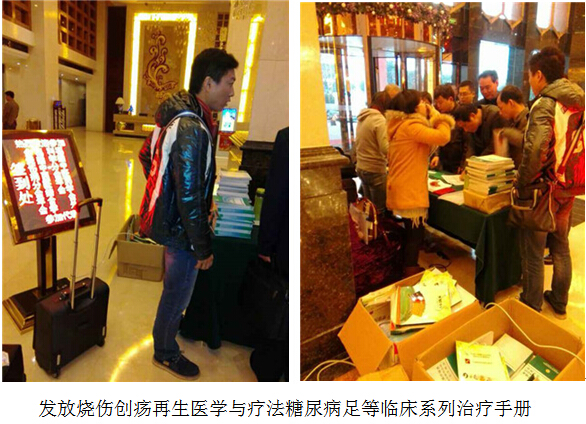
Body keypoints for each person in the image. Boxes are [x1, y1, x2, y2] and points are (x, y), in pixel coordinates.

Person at [138, 48, 238, 379]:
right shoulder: (192, 126)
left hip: (176, 222)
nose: (231, 91)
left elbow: (146, 155)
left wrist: (164, 192)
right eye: (229, 82)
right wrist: (203, 247)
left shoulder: (179, 114)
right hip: (182, 231)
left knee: (175, 288)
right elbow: (190, 197)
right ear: (208, 83)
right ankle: (165, 352)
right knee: (177, 292)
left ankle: (168, 337)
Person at [515, 46, 584, 319]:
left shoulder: (545, 103)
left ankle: (531, 305)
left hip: (544, 189)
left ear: (539, 75)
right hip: (571, 185)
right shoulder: (580, 102)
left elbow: (535, 151)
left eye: (530, 76)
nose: (530, 82)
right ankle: (559, 300)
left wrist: (523, 184)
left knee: (533, 251)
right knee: (560, 244)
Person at [386, 90, 455, 277]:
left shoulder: (400, 125)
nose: (426, 105)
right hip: (409, 188)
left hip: (401, 185)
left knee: (411, 232)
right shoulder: (411, 125)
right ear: (414, 108)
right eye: (422, 102)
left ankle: (407, 266)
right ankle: (410, 271)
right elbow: (443, 137)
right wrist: (439, 117)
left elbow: (428, 145)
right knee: (415, 235)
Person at [250, 127, 289, 382]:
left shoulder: (287, 137)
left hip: (284, 244)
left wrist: (265, 245)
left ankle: (271, 366)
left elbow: (275, 196)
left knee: (280, 306)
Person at [354, 91, 392, 213]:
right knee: (379, 210)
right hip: (375, 169)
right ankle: (378, 226)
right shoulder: (379, 120)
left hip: (362, 168)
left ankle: (369, 226)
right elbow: (385, 148)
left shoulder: (362, 118)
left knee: (369, 209)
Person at [431, 84, 468, 173]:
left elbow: (467, 143)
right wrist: (436, 155)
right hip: (444, 163)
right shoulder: (441, 115)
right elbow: (439, 138)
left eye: (440, 102)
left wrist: (463, 164)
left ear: (450, 99)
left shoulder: (461, 114)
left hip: (457, 162)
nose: (438, 106)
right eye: (436, 103)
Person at [496, 85, 529, 168]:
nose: (500, 112)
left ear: (511, 103)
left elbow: (527, 141)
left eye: (501, 108)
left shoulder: (529, 118)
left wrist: (506, 132)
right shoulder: (510, 121)